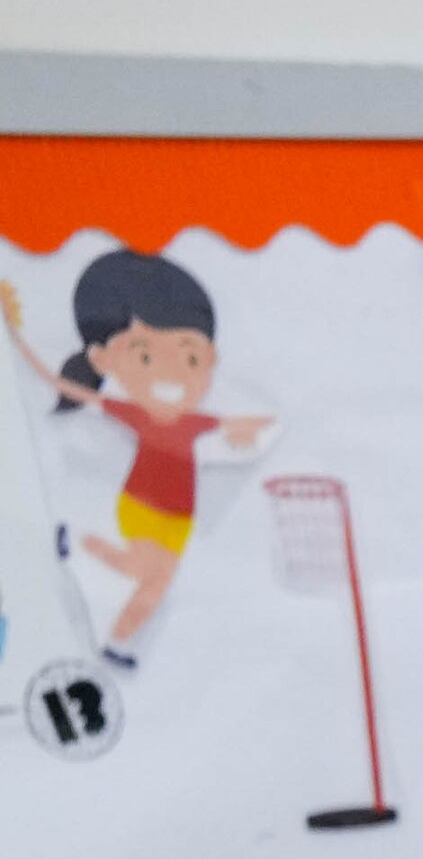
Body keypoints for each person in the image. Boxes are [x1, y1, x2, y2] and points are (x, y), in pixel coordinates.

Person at [5, 250, 274, 660]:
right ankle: (118, 639)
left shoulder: (192, 423)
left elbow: (244, 424)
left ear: (210, 361)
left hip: (179, 519)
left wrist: (252, 430)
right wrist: (17, 335)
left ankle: (80, 550)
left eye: (189, 358)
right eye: (145, 356)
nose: (169, 373)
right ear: (103, 359)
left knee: (147, 575)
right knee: (154, 579)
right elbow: (70, 387)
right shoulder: (137, 415)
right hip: (144, 506)